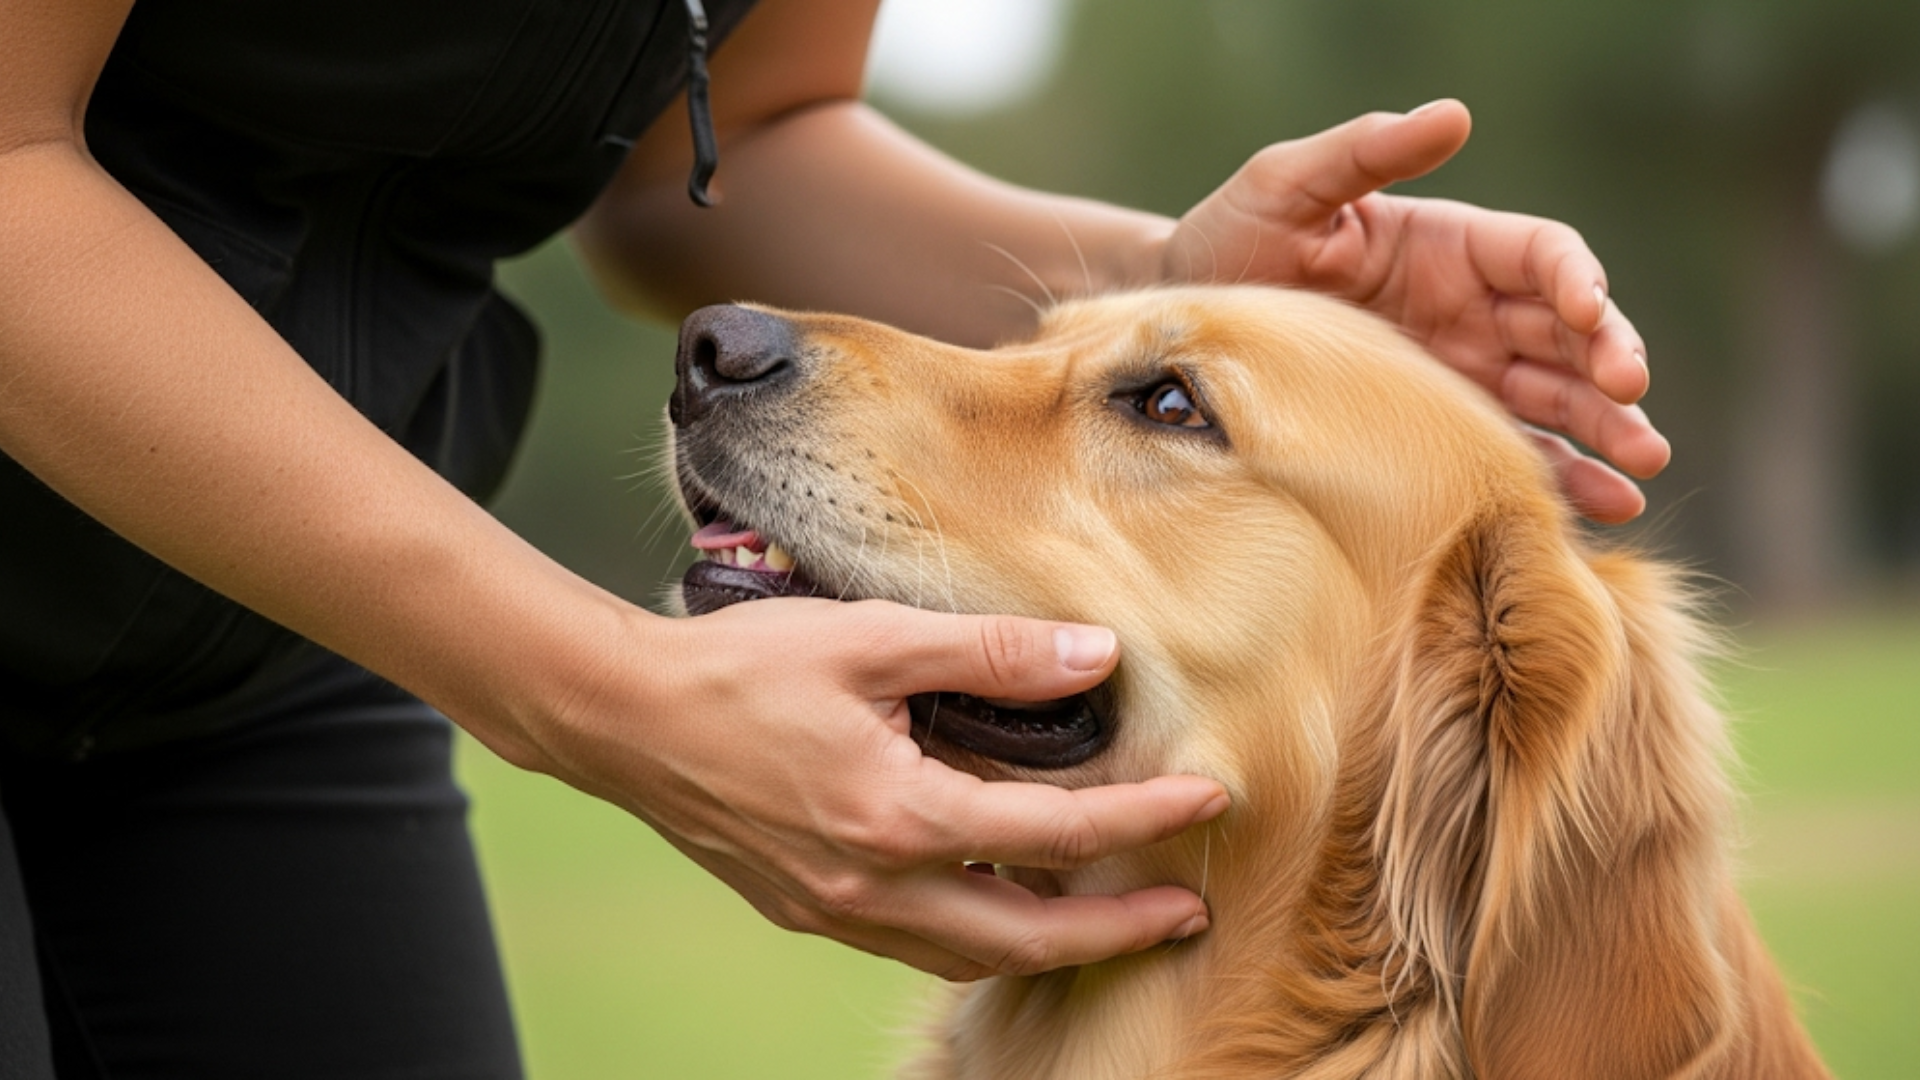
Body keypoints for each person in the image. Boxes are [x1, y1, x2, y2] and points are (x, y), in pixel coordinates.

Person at [0, 0, 1669, 1075]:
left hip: (250, 640)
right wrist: (595, 684)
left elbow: (723, 151)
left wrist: (1181, 282)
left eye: (1164, 417)